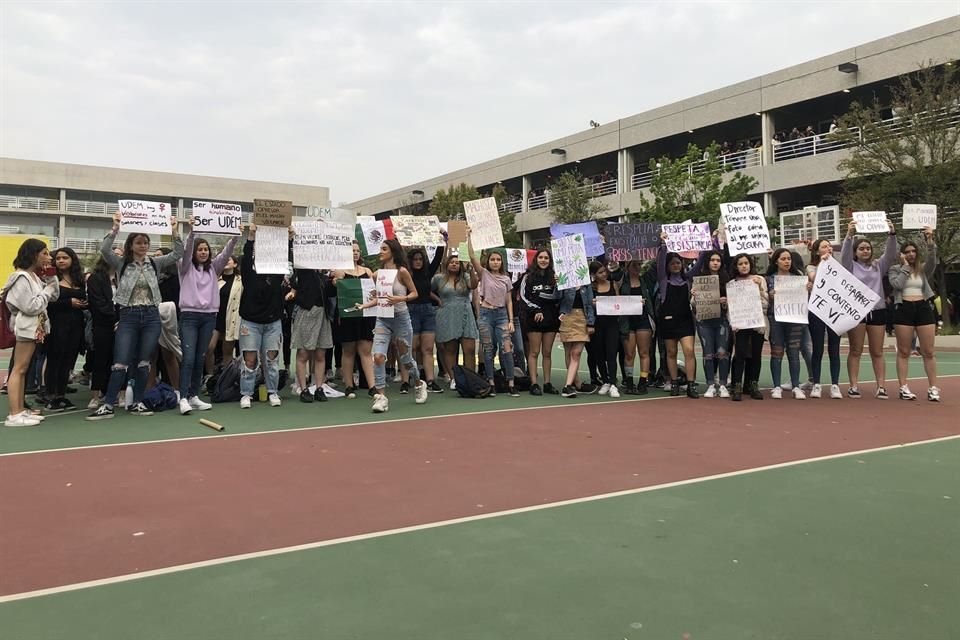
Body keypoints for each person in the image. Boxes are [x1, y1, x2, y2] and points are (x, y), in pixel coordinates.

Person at [86, 213, 183, 419]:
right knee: (120, 362)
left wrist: (174, 230)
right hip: (128, 315)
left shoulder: (155, 263)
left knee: (143, 362)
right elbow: (104, 250)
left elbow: (177, 253)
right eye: (139, 242)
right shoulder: (122, 263)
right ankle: (109, 404)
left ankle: (138, 402)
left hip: (151, 315)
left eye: (146, 242)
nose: (143, 246)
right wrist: (115, 228)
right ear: (131, 245)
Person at [355, 239, 428, 412]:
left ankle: (418, 384)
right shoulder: (377, 274)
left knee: (405, 359)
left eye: (384, 249)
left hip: (401, 317)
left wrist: (400, 298)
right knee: (378, 356)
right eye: (380, 248)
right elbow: (379, 298)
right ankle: (381, 397)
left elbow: (414, 293)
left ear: (393, 252)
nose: (380, 251)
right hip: (382, 318)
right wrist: (365, 305)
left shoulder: (402, 272)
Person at [177, 229, 238, 414]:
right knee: (188, 358)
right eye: (200, 249)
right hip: (189, 315)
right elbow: (186, 252)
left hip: (209, 316)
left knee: (200, 357)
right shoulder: (185, 267)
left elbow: (226, 253)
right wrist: (192, 234)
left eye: (206, 249)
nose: (203, 252)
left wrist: (235, 236)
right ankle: (183, 398)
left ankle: (194, 395)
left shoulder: (213, 268)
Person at [840, 219, 898, 398]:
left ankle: (881, 386)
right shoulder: (850, 266)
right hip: (857, 312)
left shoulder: (878, 266)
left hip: (878, 311)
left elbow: (890, 254)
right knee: (856, 349)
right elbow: (843, 256)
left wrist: (892, 234)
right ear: (855, 252)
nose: (865, 251)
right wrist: (849, 236)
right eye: (861, 248)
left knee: (877, 351)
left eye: (868, 248)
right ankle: (854, 386)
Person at [3, 238, 58, 426]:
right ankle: (14, 413)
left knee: (23, 369)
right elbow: (30, 306)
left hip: (35, 327)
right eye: (44, 253)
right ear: (33, 254)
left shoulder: (35, 276)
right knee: (19, 369)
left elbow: (54, 295)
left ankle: (20, 409)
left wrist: (51, 279)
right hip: (26, 326)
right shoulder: (21, 277)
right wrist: (47, 291)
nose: (48, 257)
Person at [235, 223, 286, 410]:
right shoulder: (249, 272)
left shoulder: (278, 271)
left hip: (273, 321)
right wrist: (251, 236)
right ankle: (246, 394)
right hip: (250, 321)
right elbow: (247, 257)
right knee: (250, 360)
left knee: (272, 359)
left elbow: (286, 255)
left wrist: (288, 239)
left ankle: (273, 392)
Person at [888, 229, 940, 401]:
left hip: (923, 307)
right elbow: (897, 285)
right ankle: (903, 387)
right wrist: (904, 267)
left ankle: (933, 387)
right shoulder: (895, 269)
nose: (911, 254)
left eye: (913, 251)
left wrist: (930, 241)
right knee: (904, 350)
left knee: (928, 351)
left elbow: (932, 261)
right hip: (904, 308)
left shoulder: (922, 269)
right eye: (907, 252)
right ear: (902, 254)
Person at [467, 230, 519, 397]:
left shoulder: (506, 279)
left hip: (502, 315)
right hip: (485, 314)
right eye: (493, 259)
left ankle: (511, 382)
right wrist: (469, 237)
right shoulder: (484, 274)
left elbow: (509, 300)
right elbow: (472, 257)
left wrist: (511, 320)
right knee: (488, 349)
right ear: (488, 261)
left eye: (498, 260)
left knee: (507, 349)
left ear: (502, 262)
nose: (495, 262)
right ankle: (491, 382)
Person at [656, 236, 701, 398]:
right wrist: (663, 244)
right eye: (672, 263)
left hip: (685, 320)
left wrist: (704, 245)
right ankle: (674, 382)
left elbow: (700, 263)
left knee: (689, 350)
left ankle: (691, 384)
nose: (676, 265)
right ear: (668, 266)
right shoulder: (663, 280)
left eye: (678, 262)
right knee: (671, 352)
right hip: (668, 320)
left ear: (682, 264)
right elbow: (660, 262)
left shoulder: (687, 278)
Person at [44, 247, 87, 412]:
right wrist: (69, 303)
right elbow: (46, 303)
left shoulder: (79, 278)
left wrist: (83, 303)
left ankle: (61, 395)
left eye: (65, 258)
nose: (61, 261)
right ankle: (50, 396)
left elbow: (84, 296)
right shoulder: (50, 278)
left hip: (76, 323)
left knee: (68, 360)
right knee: (55, 359)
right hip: (57, 323)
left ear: (72, 260)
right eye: (58, 258)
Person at [332, 241, 377, 399]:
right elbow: (336, 287)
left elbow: (374, 293)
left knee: (366, 350)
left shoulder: (367, 271)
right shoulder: (341, 271)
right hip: (348, 316)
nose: (355, 253)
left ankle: (372, 386)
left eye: (357, 251)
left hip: (365, 315)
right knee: (349, 350)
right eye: (352, 251)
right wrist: (336, 282)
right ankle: (349, 385)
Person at [288, 258, 335, 404]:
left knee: (321, 352)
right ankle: (303, 388)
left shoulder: (326, 273)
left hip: (323, 312)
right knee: (304, 352)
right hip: (307, 310)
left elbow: (330, 291)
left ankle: (319, 387)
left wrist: (334, 278)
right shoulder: (303, 269)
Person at [766, 248, 810, 399]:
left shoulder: (798, 278)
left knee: (793, 352)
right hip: (776, 319)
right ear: (776, 261)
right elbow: (764, 300)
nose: (786, 261)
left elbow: (805, 298)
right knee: (777, 352)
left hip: (795, 319)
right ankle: (776, 386)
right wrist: (770, 295)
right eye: (783, 259)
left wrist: (807, 289)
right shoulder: (770, 279)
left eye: (789, 259)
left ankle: (796, 386)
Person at [432, 251, 479, 388]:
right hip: (446, 313)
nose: (454, 264)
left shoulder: (465, 276)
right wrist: (437, 299)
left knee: (469, 349)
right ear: (447, 264)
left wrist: (471, 271)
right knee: (450, 349)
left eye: (457, 262)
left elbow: (474, 285)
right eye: (452, 262)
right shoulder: (438, 278)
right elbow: (425, 289)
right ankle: (454, 378)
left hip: (465, 312)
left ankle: (470, 377)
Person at [518, 249, 561, 395]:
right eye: (541, 257)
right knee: (534, 352)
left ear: (550, 260)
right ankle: (534, 383)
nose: (543, 260)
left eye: (546, 258)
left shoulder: (554, 276)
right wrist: (536, 310)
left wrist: (558, 285)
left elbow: (558, 297)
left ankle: (547, 383)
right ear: (536, 259)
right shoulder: (528, 277)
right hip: (533, 318)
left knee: (547, 352)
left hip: (551, 318)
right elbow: (523, 297)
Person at [727, 254, 768, 401]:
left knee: (756, 355)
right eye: (740, 264)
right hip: (741, 324)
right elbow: (731, 307)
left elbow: (766, 303)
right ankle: (736, 386)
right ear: (736, 266)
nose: (744, 266)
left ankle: (753, 385)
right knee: (740, 355)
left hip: (757, 323)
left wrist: (759, 290)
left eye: (746, 263)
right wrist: (734, 323)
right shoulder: (732, 283)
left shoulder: (759, 280)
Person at [806, 239, 842, 399]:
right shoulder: (812, 266)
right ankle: (817, 384)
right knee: (818, 348)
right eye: (824, 246)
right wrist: (823, 262)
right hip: (817, 311)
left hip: (834, 310)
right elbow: (815, 278)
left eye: (829, 246)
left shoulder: (838, 266)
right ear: (817, 251)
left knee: (834, 348)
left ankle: (835, 385)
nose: (828, 248)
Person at [405, 247, 444, 393]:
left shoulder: (428, 272)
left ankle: (430, 380)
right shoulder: (406, 273)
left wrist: (442, 239)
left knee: (427, 349)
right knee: (412, 347)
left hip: (428, 311)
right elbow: (399, 257)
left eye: (420, 259)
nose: (418, 262)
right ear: (410, 261)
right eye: (415, 259)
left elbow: (438, 257)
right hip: (411, 310)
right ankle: (412, 378)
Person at [693, 249, 730, 398]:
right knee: (708, 354)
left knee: (722, 353)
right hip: (704, 322)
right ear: (707, 262)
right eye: (712, 260)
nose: (715, 263)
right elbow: (694, 306)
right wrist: (694, 296)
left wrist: (725, 302)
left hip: (721, 321)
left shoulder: (726, 280)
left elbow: (734, 302)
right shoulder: (700, 279)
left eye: (718, 260)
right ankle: (710, 384)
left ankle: (722, 384)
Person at [618, 259, 655, 394]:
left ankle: (643, 382)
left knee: (644, 352)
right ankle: (628, 382)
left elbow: (656, 265)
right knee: (629, 353)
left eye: (639, 265)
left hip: (643, 319)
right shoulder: (621, 281)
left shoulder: (645, 280)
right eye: (634, 265)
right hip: (627, 321)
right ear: (627, 266)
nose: (637, 268)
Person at [85, 256, 116, 410]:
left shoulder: (123, 276)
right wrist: (113, 317)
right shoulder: (95, 278)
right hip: (102, 324)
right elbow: (97, 303)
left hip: (123, 324)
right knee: (100, 360)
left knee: (119, 360)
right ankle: (95, 396)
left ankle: (118, 394)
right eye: (114, 253)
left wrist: (121, 319)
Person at [557, 274, 595, 398]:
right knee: (568, 352)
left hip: (582, 318)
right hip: (567, 317)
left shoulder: (585, 280)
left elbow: (589, 303)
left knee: (576, 352)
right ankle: (575, 383)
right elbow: (556, 298)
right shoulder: (564, 278)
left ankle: (568, 385)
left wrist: (590, 322)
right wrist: (557, 283)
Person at [588, 261, 621, 398]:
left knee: (611, 352)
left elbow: (620, 302)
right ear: (594, 274)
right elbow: (587, 305)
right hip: (597, 324)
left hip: (612, 323)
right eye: (600, 272)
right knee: (599, 353)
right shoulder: (590, 288)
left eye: (604, 271)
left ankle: (613, 383)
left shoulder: (613, 284)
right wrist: (592, 303)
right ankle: (605, 381)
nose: (604, 274)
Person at [205, 255, 241, 376]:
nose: (225, 261)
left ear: (235, 264)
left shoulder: (240, 281)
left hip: (231, 318)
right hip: (215, 317)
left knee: (228, 350)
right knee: (209, 348)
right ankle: (210, 376)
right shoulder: (215, 278)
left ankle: (226, 378)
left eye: (229, 259)